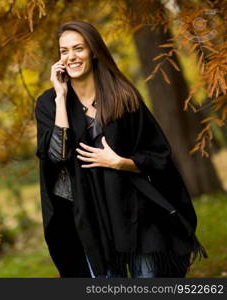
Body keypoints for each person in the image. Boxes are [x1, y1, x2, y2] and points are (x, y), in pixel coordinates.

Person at [34, 20, 207, 278]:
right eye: (64, 51)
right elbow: (58, 157)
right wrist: (60, 96)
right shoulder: (49, 103)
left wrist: (119, 162)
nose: (71, 57)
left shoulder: (122, 96)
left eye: (78, 48)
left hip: (136, 215)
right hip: (89, 221)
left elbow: (159, 155)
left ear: (93, 50)